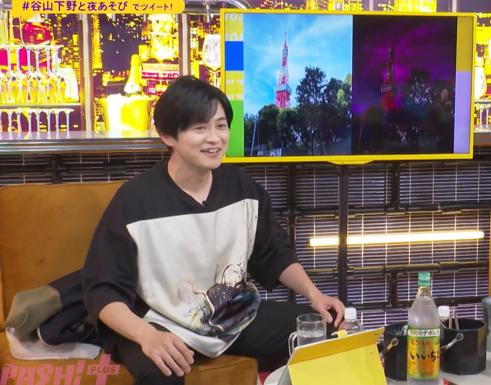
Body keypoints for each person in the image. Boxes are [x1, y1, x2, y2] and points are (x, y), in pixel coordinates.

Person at [82, 76, 345, 384]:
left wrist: (315, 294)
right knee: (159, 372)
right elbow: (102, 288)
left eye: (221, 126)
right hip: (161, 321)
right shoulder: (134, 201)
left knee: (328, 330)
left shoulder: (243, 189)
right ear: (167, 135)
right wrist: (146, 335)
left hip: (234, 314)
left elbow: (274, 252)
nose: (214, 138)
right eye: (199, 128)